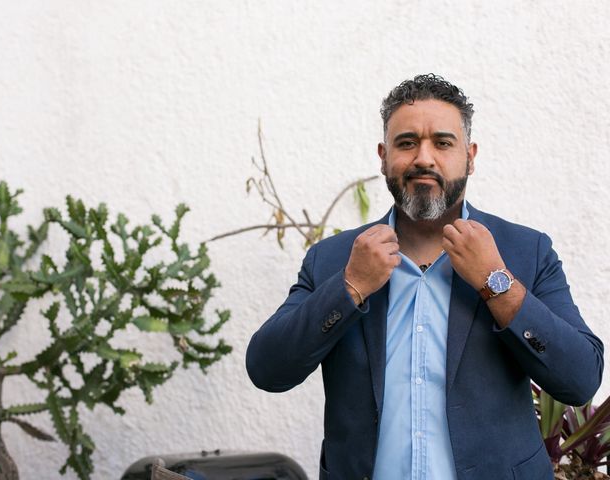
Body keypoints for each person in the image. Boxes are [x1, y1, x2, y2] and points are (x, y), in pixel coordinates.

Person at [245, 74, 604, 480]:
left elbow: (580, 379)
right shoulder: (335, 260)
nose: (424, 158)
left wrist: (494, 281)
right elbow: (266, 370)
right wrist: (350, 288)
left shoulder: (526, 251)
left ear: (470, 156)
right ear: (383, 157)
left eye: (443, 143)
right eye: (407, 142)